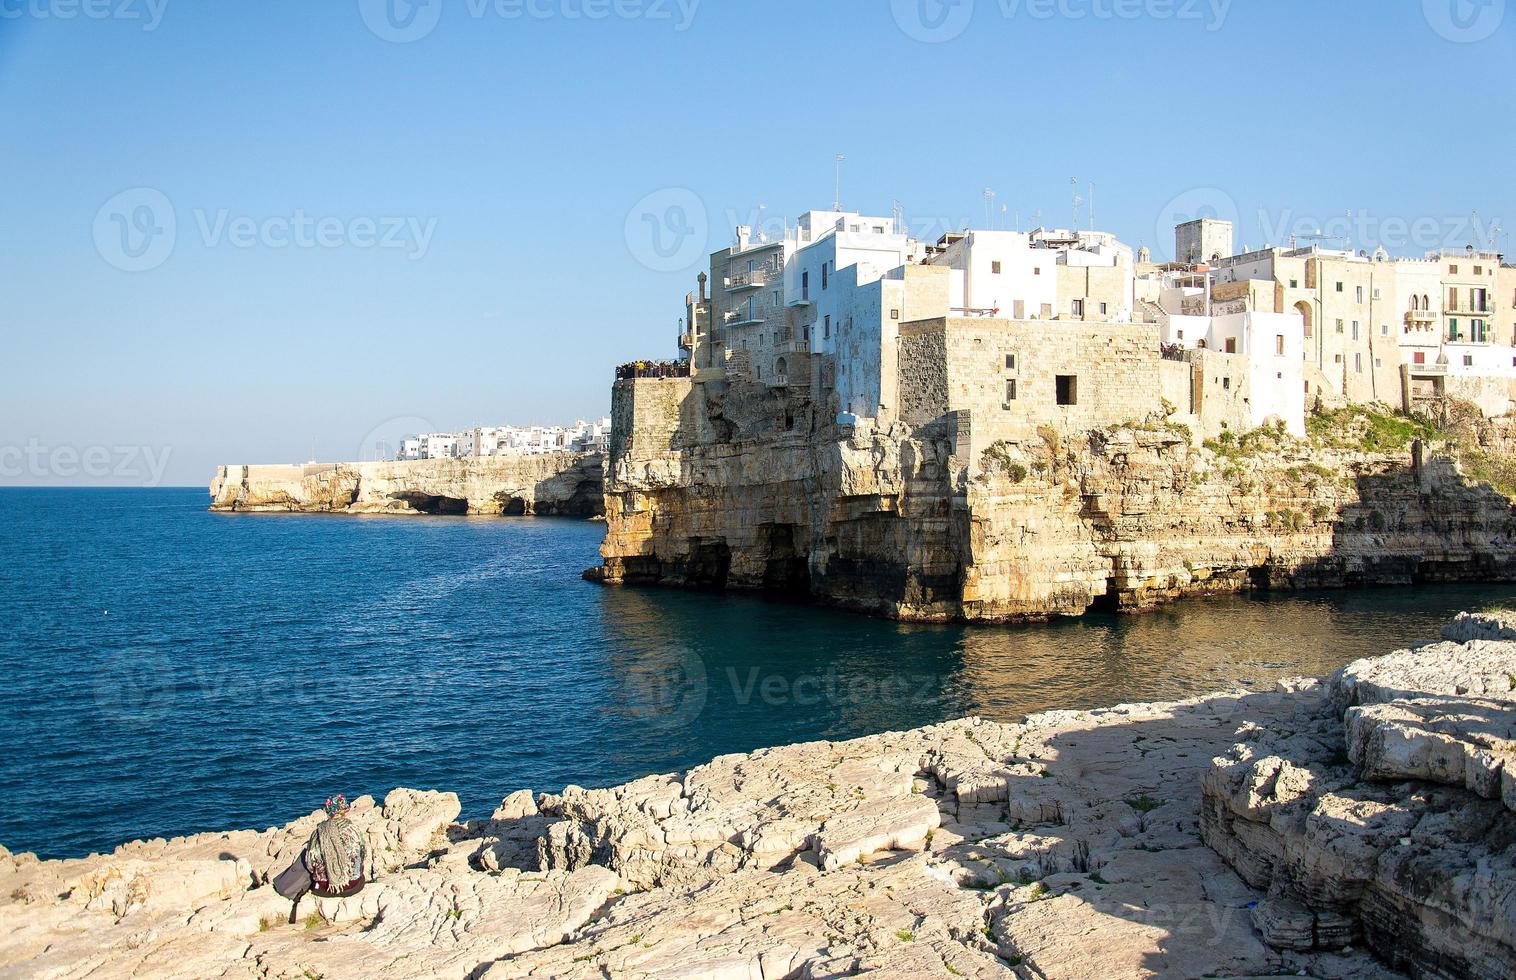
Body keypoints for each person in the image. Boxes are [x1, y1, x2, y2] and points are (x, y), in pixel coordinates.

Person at [303, 795, 368, 899]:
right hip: (352, 885)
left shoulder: (318, 832)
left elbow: (310, 864)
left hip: (325, 888)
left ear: (328, 811)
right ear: (345, 810)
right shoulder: (353, 829)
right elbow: (364, 854)